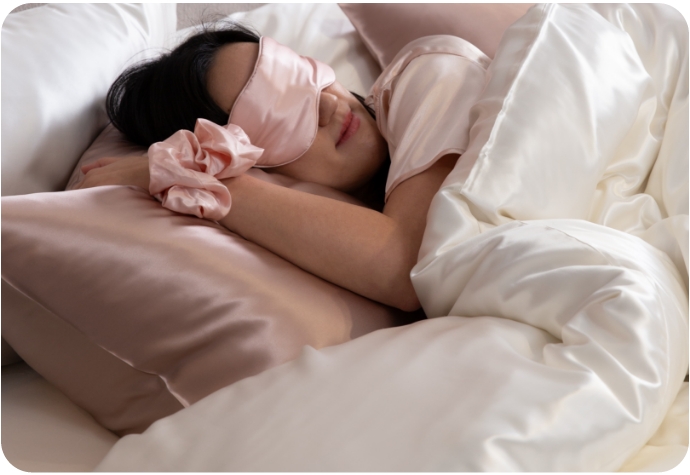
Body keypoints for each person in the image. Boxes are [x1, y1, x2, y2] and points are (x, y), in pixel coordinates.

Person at [77, 23, 491, 312]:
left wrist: (192, 173)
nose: (330, 104)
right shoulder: (317, 227)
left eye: (299, 74)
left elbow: (406, 268)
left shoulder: (432, 68)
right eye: (276, 115)